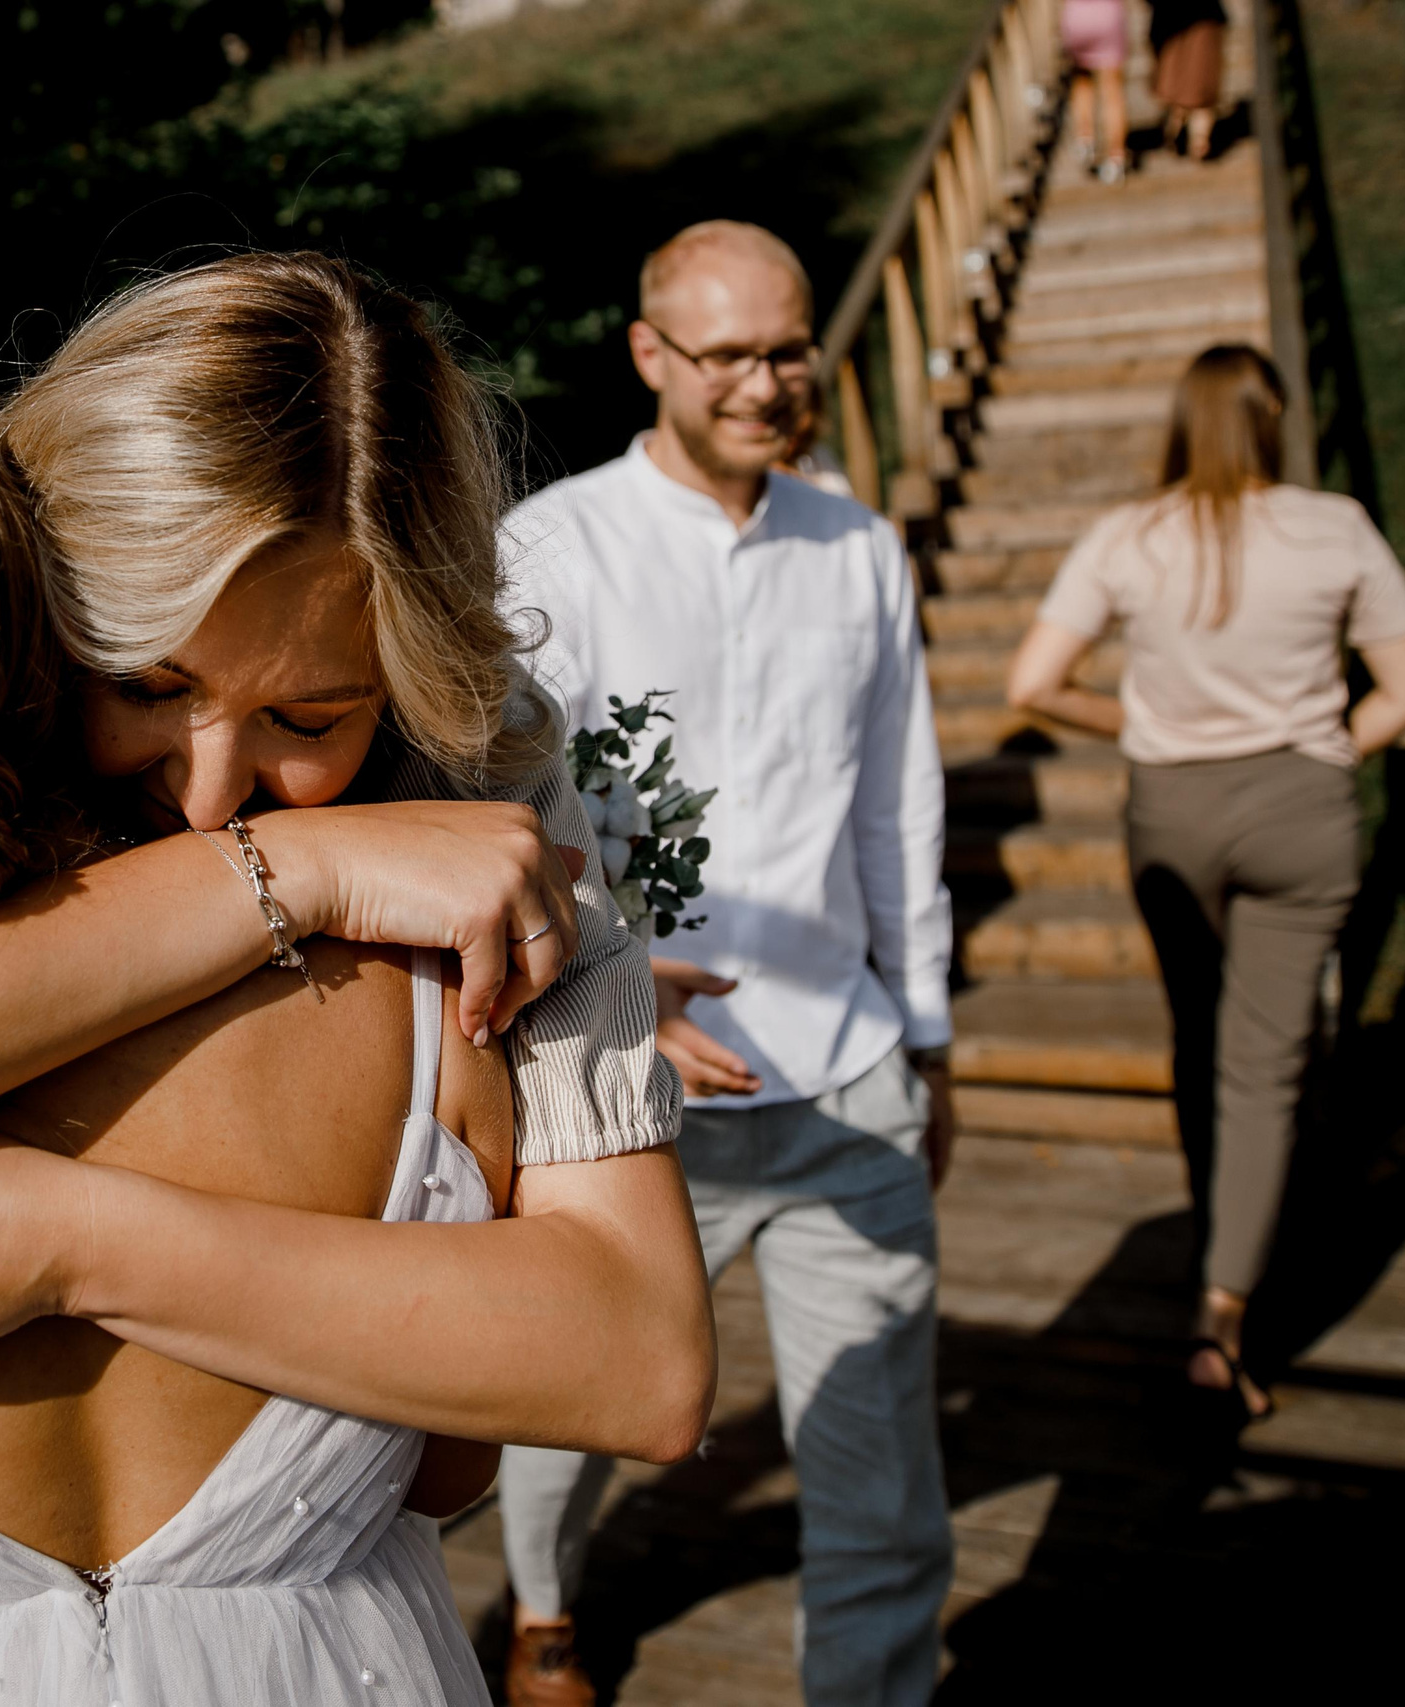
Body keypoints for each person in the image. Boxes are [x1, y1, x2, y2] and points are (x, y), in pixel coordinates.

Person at [0, 254, 719, 1704]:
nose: (207, 789)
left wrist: (63, 1239)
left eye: (310, 717)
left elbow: (642, 1360)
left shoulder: (488, 785)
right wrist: (298, 869)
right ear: (30, 600)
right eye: (143, 683)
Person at [504, 221, 957, 1707]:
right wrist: (613, 974)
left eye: (789, 351)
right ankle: (544, 1604)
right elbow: (498, 807)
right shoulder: (555, 547)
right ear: (650, 353)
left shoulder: (860, 548)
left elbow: (898, 808)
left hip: (845, 1071)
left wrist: (928, 1036)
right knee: (570, 1404)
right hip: (627, 1088)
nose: (766, 384)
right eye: (729, 355)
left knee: (884, 1476)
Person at [1005, 345, 1405, 1417]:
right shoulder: (1334, 525)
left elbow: (1034, 684)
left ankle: (1219, 1235)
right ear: (1273, 416)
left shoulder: (1128, 534)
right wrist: (1332, 747)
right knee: (1265, 1066)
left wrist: (1146, 723)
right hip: (1301, 807)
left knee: (1200, 1041)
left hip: (1172, 812)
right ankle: (1224, 1312)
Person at [1062, 0, 1134, 183]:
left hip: (1077, 19)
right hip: (1108, 17)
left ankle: (1085, 138)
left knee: (1082, 81)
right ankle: (1116, 158)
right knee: (1112, 92)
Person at [1150, 0, 1229, 164]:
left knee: (1196, 88)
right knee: (1189, 87)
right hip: (1176, 21)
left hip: (1192, 19)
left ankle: (1195, 138)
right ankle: (1191, 137)